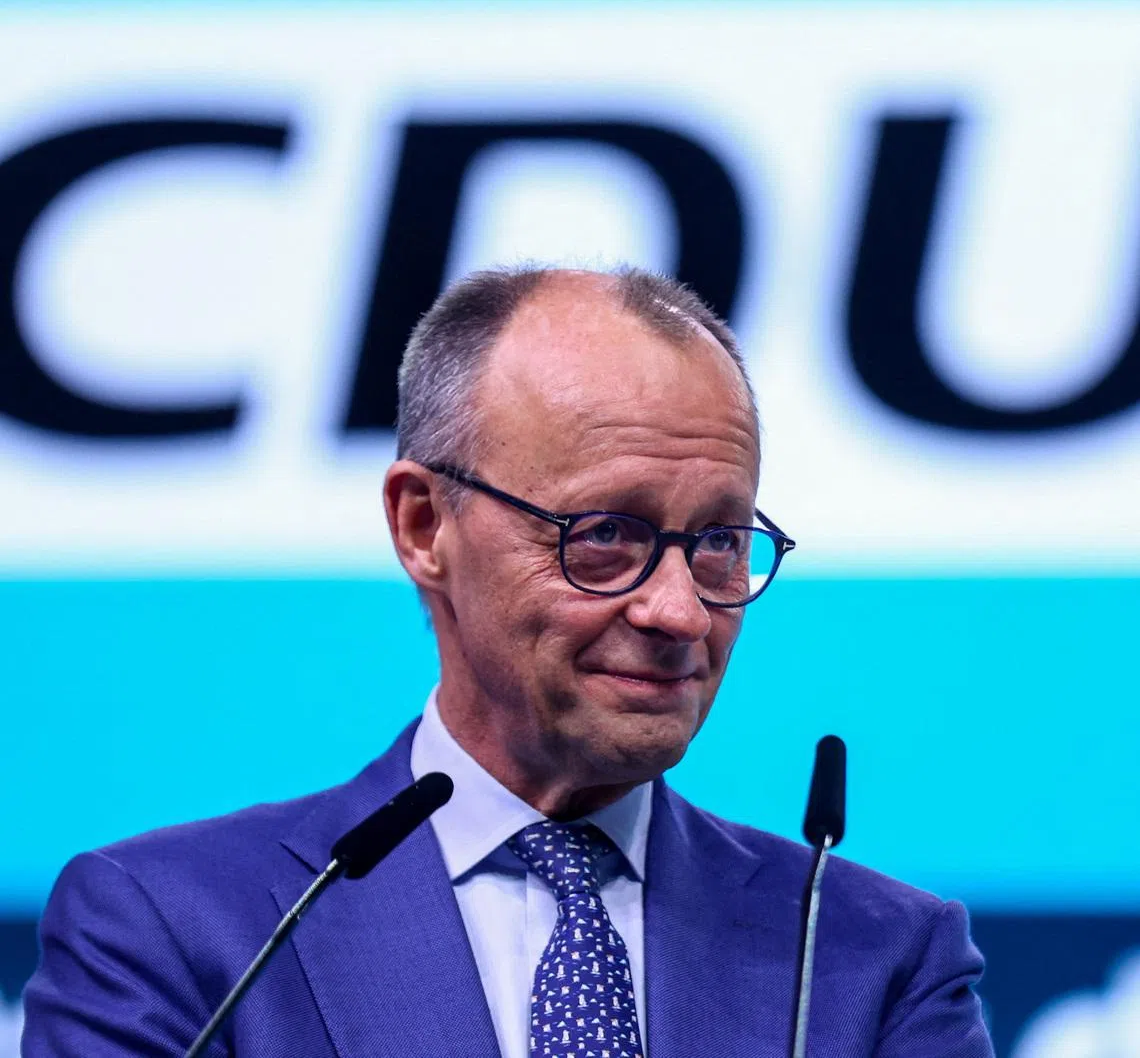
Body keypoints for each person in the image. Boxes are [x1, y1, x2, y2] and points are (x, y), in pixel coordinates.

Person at [22, 266, 994, 1056]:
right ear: (423, 525)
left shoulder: (875, 958)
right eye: (606, 534)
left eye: (718, 541)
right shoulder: (178, 933)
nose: (677, 610)